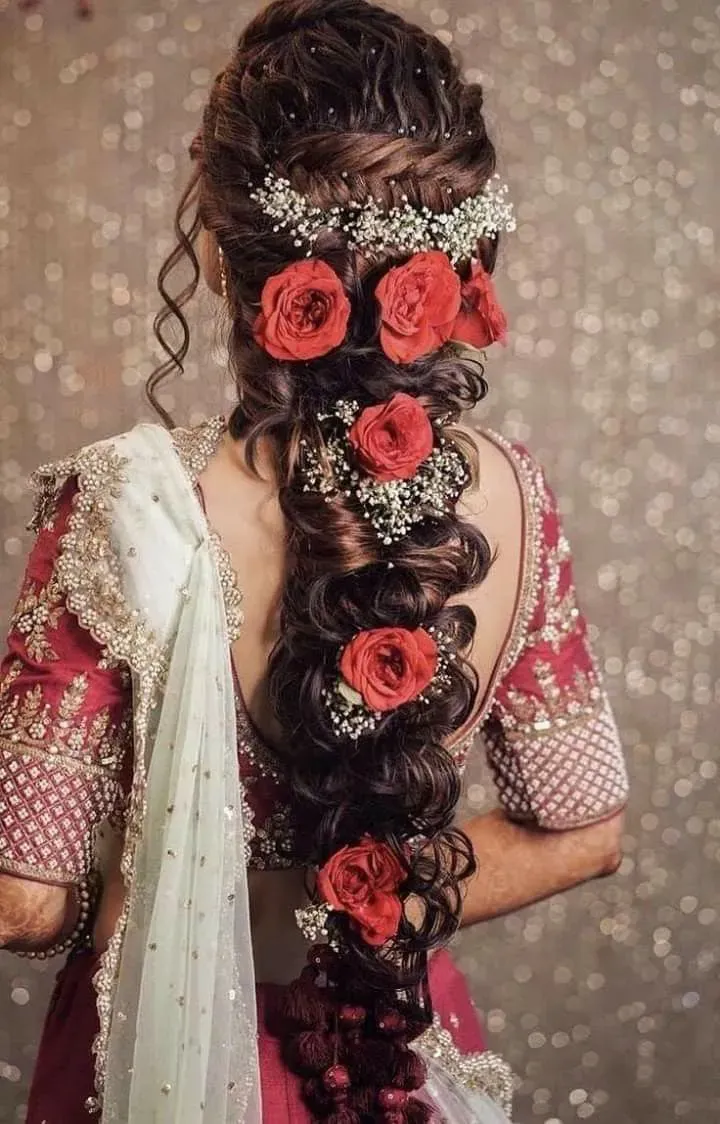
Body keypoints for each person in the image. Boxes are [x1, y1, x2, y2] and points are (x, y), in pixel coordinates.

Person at [0, 2, 629, 1121]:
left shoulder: (126, 504)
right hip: (392, 1056)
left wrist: (166, 897)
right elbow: (584, 829)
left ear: (217, 244)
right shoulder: (511, 495)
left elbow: (23, 895)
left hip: (161, 1054)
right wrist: (367, 899)